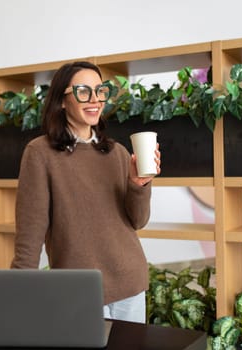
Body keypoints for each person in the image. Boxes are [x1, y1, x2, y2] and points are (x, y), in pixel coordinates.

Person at [11, 61, 161, 323]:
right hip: (79, 292)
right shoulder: (40, 153)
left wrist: (139, 184)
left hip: (131, 285)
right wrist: (11, 295)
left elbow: (137, 221)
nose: (95, 100)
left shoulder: (118, 152)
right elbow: (30, 234)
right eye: (83, 91)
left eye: (100, 91)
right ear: (61, 100)